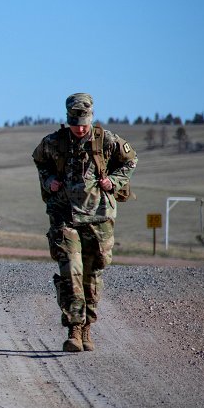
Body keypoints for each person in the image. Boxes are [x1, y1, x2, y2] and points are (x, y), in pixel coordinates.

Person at [32, 93, 137, 352]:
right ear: (67, 120)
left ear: (91, 119)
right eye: (74, 122)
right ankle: (74, 329)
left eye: (83, 123)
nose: (79, 128)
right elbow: (39, 161)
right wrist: (48, 181)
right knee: (71, 271)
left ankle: (87, 326)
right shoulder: (53, 143)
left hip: (99, 217)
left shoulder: (107, 141)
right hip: (64, 216)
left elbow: (131, 160)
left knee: (93, 274)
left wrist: (114, 181)